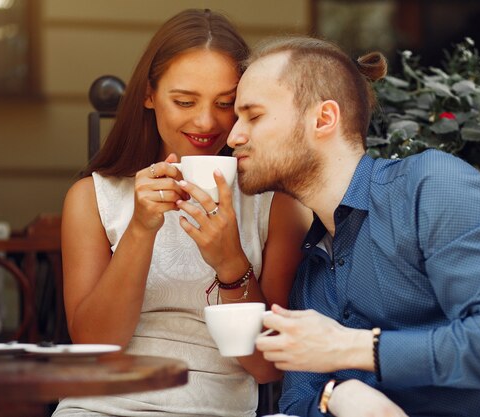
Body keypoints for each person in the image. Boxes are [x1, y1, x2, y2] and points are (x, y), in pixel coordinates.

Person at [227, 37, 480, 417]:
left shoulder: (431, 188)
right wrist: (337, 397)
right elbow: (298, 402)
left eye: (253, 116)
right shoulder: (313, 270)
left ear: (323, 119)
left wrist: (350, 348)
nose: (233, 136)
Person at [54, 10, 310, 417]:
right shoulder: (91, 198)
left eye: (226, 103)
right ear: (149, 94)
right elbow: (94, 348)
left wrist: (230, 262)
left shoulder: (278, 206)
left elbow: (266, 368)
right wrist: (140, 230)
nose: (207, 122)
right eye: (184, 101)